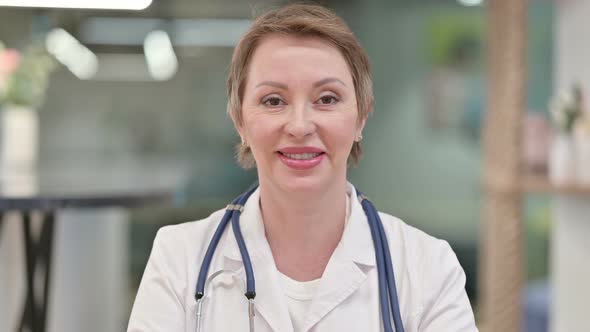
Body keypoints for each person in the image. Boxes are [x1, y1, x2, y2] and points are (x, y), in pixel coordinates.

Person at [127, 4, 478, 332]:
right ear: (239, 122)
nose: (299, 125)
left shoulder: (427, 268)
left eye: (327, 99)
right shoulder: (180, 258)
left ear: (361, 118)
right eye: (273, 101)